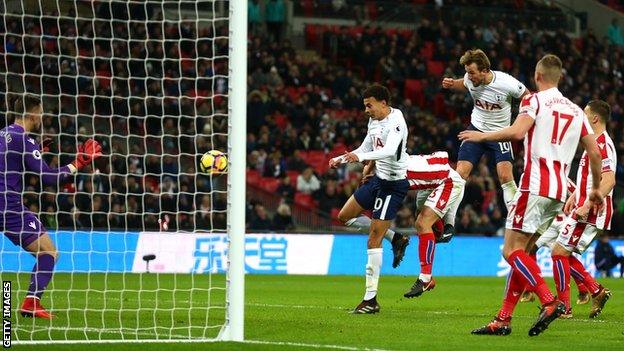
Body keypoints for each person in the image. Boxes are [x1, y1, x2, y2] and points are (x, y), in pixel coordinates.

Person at [460, 54, 604, 336]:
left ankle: (548, 301)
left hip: (535, 185)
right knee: (524, 251)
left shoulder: (534, 100)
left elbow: (517, 131)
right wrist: (596, 189)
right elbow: (595, 152)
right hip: (560, 191)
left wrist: (480, 136)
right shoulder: (576, 110)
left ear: (537, 77)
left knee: (511, 250)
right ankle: (503, 319)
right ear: (559, 77)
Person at [1, 95, 102, 319]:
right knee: (50, 252)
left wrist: (37, 152)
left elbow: (10, 164)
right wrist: (79, 163)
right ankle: (31, 302)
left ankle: (31, 302)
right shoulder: (23, 139)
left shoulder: (4, 134)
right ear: (33, 113)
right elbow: (47, 178)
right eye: (41, 111)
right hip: (7, 205)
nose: (42, 116)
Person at [329, 84, 410, 314]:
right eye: (365, 106)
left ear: (383, 103)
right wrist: (343, 158)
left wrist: (361, 157)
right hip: (377, 179)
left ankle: (370, 300)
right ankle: (395, 238)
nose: (366, 110)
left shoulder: (396, 121)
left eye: (369, 105)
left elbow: (389, 150)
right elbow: (368, 145)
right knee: (345, 216)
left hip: (392, 185)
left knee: (373, 241)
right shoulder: (374, 121)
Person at [538, 100, 615, 319]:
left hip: (590, 211)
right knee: (562, 252)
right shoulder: (593, 142)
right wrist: (574, 195)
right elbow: (590, 179)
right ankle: (596, 290)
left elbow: (609, 180)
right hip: (583, 206)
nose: (581, 116)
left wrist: (587, 204)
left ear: (595, 119)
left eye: (585, 113)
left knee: (558, 252)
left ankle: (564, 306)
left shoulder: (602, 144)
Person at [442, 49, 529, 211]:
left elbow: (528, 97)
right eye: (467, 72)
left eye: (472, 72)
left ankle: (517, 218)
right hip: (476, 130)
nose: (469, 76)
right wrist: (453, 84)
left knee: (505, 177)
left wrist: (521, 122)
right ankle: (449, 222)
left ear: (485, 70)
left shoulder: (506, 83)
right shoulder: (470, 79)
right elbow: (465, 83)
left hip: (499, 134)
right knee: (459, 175)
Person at [402, 151, 466, 298]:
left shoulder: (398, 171)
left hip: (448, 183)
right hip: (430, 185)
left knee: (422, 223)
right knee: (422, 223)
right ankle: (427, 275)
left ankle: (425, 278)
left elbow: (458, 183)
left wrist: (450, 222)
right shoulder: (408, 169)